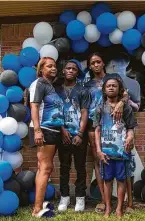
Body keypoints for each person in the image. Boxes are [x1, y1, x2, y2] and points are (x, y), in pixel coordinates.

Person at [84, 52, 126, 213]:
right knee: (98, 160)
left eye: (98, 61)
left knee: (120, 159)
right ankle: (103, 200)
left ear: (103, 63)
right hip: (93, 126)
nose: (96, 65)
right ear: (89, 66)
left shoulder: (113, 78)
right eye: (92, 62)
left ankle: (124, 202)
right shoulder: (87, 86)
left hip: (114, 125)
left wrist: (121, 103)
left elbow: (125, 94)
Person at [94, 74, 137, 217]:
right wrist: (99, 150)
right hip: (106, 152)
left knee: (121, 179)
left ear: (119, 89)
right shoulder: (100, 108)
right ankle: (108, 208)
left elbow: (131, 127)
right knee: (107, 180)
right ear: (104, 90)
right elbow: (97, 130)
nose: (111, 87)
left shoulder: (126, 108)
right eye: (108, 86)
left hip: (122, 151)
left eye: (114, 85)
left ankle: (119, 208)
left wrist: (130, 136)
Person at [28, 57, 64, 218]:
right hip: (43, 129)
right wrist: (37, 130)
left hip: (53, 130)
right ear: (41, 70)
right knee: (46, 167)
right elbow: (34, 106)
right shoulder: (39, 84)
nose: (53, 68)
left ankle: (38, 204)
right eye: (49, 66)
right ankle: (37, 209)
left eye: (54, 66)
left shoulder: (50, 86)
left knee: (44, 167)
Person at [55, 59, 91, 212]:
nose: (70, 71)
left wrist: (81, 134)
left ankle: (80, 198)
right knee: (64, 167)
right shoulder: (56, 90)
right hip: (63, 134)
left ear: (78, 73)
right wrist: (62, 130)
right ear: (63, 71)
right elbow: (55, 111)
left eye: (74, 69)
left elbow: (85, 112)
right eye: (68, 68)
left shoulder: (83, 90)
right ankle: (64, 197)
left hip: (78, 135)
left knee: (80, 167)